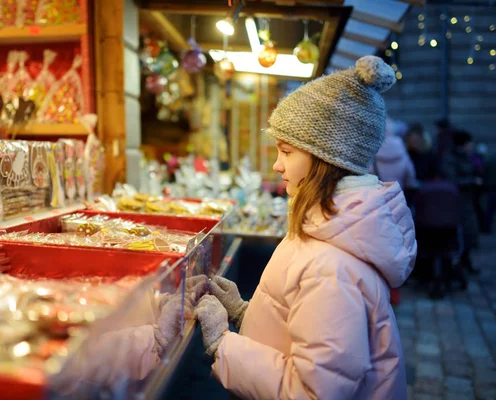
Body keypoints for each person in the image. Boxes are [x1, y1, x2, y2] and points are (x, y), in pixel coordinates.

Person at [192, 56, 417, 400]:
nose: (276, 164)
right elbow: (304, 329)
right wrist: (244, 313)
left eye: (286, 151)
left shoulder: (331, 267)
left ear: (325, 159)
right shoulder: (325, 231)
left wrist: (223, 344)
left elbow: (311, 392)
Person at [441, 130, 481, 274]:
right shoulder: (450, 157)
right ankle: (458, 265)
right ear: (463, 144)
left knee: (470, 232)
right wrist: (472, 181)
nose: (472, 146)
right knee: (461, 233)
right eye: (470, 143)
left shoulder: (466, 156)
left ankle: (466, 261)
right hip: (457, 203)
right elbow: (452, 180)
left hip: (468, 201)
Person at [369, 117, 417, 192]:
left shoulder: (374, 146)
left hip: (380, 197)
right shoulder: (400, 145)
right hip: (399, 195)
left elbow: (370, 172)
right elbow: (410, 174)